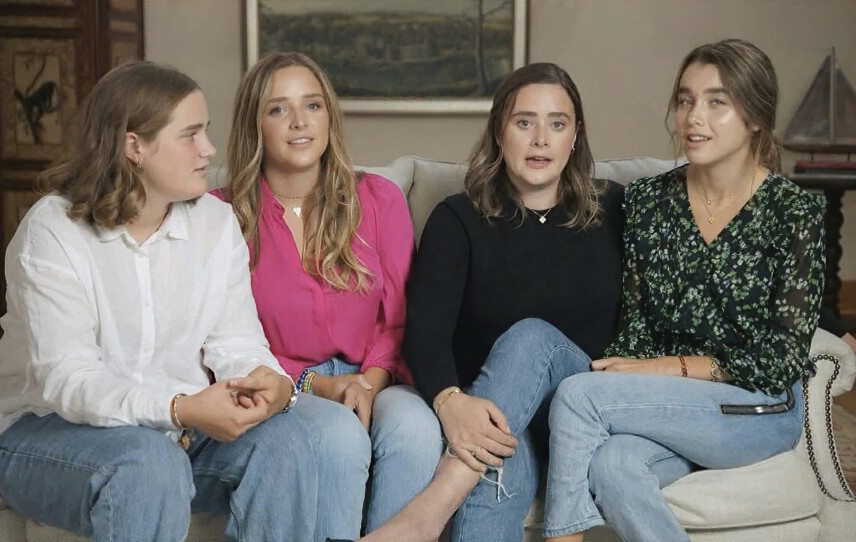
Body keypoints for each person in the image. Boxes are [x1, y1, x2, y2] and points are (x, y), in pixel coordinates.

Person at [0, 61, 365, 542]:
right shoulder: (54, 231)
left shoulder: (215, 223)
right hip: (44, 436)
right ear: (133, 146)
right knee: (148, 461)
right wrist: (181, 408)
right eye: (191, 135)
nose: (209, 150)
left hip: (172, 437)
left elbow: (236, 342)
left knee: (287, 441)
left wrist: (273, 384)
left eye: (206, 132)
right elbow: (68, 381)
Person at [543, 39, 826, 542]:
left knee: (580, 396)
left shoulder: (794, 212)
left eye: (718, 101)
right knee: (613, 465)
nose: (694, 116)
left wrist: (664, 370)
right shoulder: (648, 202)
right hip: (675, 403)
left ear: (755, 117)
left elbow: (780, 359)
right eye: (685, 99)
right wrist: (640, 376)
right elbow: (638, 328)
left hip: (759, 409)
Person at [363, 62, 625, 542]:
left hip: (583, 404)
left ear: (575, 137)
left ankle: (429, 511)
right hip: (500, 416)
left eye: (557, 124)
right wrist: (450, 401)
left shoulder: (615, 211)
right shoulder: (458, 219)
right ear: (500, 132)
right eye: (524, 122)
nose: (541, 139)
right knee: (501, 457)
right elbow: (425, 332)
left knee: (532, 337)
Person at [213, 51, 442, 533]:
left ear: (330, 116)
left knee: (417, 430)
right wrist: (317, 385)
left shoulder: (379, 198)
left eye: (312, 106)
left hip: (376, 376)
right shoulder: (221, 216)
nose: (300, 122)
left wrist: (367, 383)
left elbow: (399, 317)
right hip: (282, 386)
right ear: (254, 124)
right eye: (278, 109)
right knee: (339, 438)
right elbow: (222, 336)